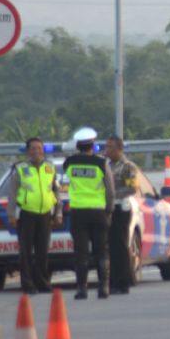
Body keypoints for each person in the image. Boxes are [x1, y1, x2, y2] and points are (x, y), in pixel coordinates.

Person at [63, 127, 115, 300]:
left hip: (78, 212)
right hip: (98, 211)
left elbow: (66, 181)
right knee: (101, 250)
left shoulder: (69, 162)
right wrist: (109, 210)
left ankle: (82, 289)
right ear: (93, 145)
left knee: (81, 252)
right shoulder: (102, 163)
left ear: (77, 145)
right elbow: (110, 190)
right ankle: (103, 288)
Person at [6, 137, 61, 294]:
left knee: (43, 251)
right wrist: (11, 214)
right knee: (26, 252)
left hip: (45, 214)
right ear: (28, 151)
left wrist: (58, 212)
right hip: (26, 214)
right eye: (33, 148)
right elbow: (12, 193)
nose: (36, 151)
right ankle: (28, 284)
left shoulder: (50, 168)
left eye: (39, 148)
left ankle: (43, 283)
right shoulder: (20, 169)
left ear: (42, 150)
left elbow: (56, 191)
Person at [105, 135, 140, 295]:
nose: (108, 150)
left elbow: (132, 189)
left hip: (122, 208)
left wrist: (112, 195)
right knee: (111, 247)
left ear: (119, 148)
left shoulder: (128, 166)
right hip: (108, 209)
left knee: (121, 245)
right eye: (107, 146)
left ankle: (123, 282)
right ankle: (112, 282)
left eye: (111, 147)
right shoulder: (105, 165)